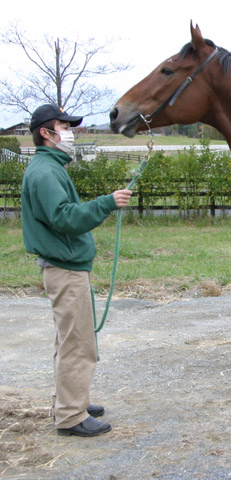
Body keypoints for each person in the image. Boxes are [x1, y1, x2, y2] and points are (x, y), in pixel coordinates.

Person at [21, 104, 132, 437]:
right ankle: (71, 416)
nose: (70, 132)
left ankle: (72, 400)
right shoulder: (45, 172)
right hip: (65, 270)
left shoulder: (49, 167)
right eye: (64, 126)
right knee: (78, 344)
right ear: (46, 132)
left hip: (65, 267)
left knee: (70, 340)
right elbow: (65, 217)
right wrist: (107, 202)